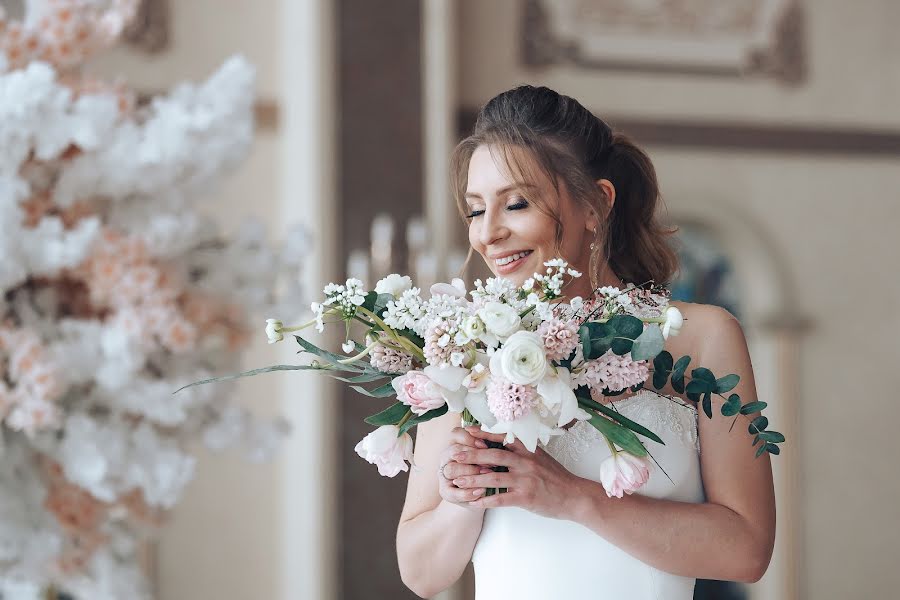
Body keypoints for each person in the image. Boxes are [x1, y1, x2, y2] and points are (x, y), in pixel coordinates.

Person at [396, 85, 776, 599]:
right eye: (474, 210)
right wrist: (464, 498)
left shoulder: (701, 338)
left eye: (516, 203)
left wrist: (572, 497)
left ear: (595, 203)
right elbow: (420, 574)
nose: (488, 234)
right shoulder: (465, 348)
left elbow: (747, 550)